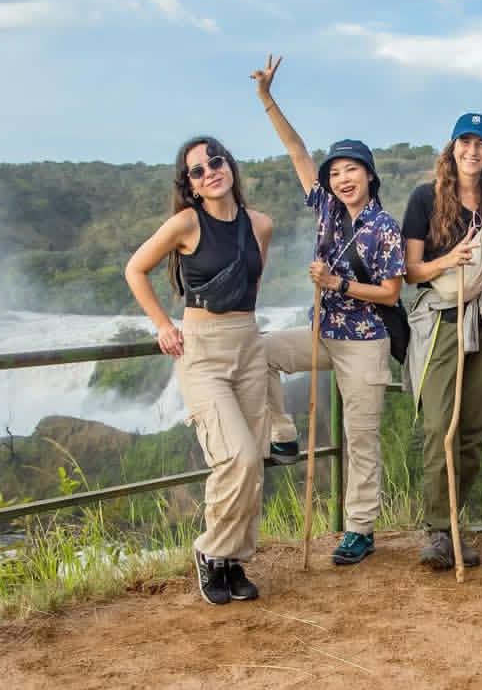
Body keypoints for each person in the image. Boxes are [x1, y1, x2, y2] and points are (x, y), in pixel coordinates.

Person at [252, 55, 406, 565]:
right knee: (261, 351)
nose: (342, 179)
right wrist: (269, 100)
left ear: (369, 176)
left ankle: (360, 530)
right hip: (323, 331)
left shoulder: (384, 227)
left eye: (351, 170)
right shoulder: (324, 208)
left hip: (365, 343)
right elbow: (296, 150)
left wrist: (337, 281)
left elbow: (390, 293)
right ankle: (283, 433)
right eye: (335, 172)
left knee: (360, 438)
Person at [125, 136, 272, 605]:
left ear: (230, 165)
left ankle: (233, 560)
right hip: (201, 350)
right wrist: (164, 325)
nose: (210, 171)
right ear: (189, 185)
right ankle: (210, 552)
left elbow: (251, 282)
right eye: (197, 170)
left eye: (216, 161)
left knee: (254, 463)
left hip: (247, 344)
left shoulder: (260, 225)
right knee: (236, 457)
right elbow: (135, 269)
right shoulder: (186, 223)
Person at [401, 112, 482, 570]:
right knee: (440, 428)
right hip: (445, 318)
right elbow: (411, 272)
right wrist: (451, 258)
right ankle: (436, 530)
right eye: (465, 142)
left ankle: (452, 522)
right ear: (452, 149)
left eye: (481, 144)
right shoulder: (426, 198)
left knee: (473, 432)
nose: (472, 151)